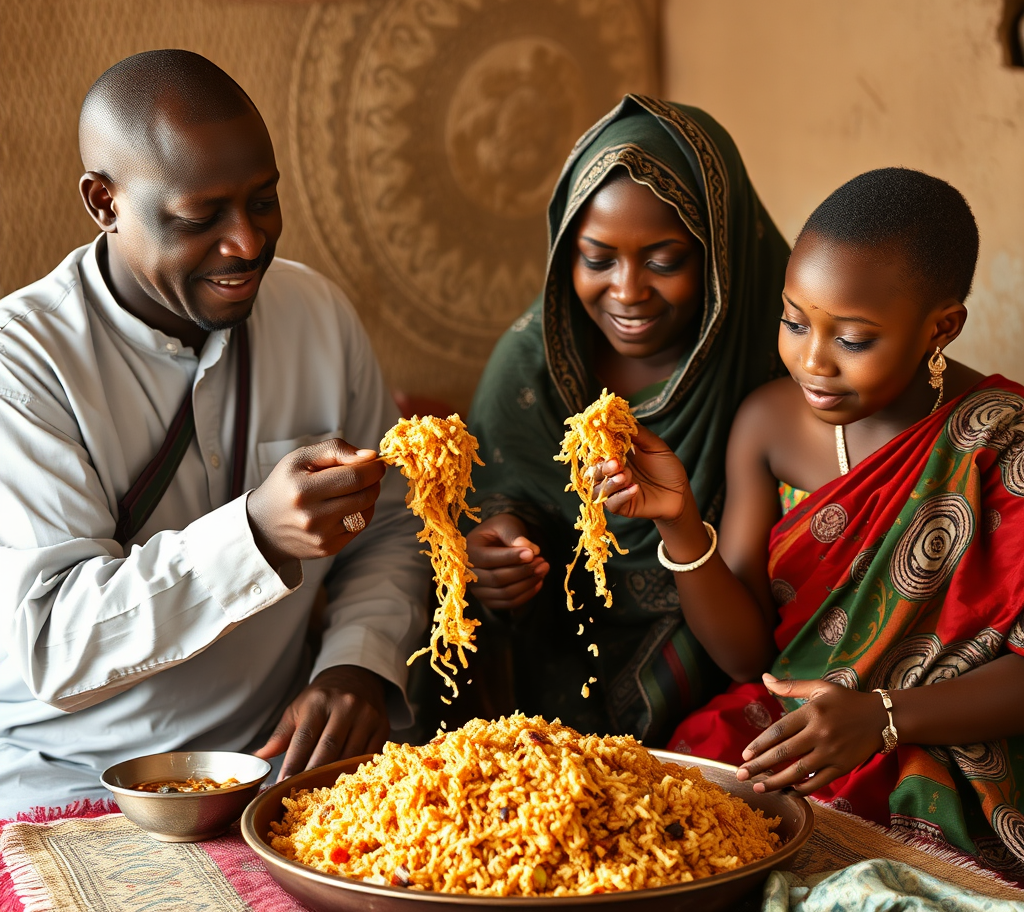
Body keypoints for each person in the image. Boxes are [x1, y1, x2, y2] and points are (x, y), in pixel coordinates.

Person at [0, 50, 427, 815]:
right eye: (200, 218)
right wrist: (255, 535)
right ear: (105, 202)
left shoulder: (315, 315)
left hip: (280, 769)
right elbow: (53, 643)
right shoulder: (23, 366)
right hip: (67, 782)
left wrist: (357, 665)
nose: (247, 243)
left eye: (263, 202)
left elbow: (392, 525)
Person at [598, 168, 1024, 869]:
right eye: (794, 321)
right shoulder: (768, 422)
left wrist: (883, 717)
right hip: (787, 731)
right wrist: (678, 524)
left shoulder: (998, 443)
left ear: (940, 327)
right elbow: (746, 656)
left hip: (943, 745)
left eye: (853, 339)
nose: (812, 361)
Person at [460, 95, 790, 743]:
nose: (628, 290)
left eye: (664, 260)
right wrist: (499, 551)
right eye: (596, 258)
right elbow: (496, 503)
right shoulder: (532, 367)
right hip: (556, 683)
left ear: (719, 254)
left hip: (731, 670)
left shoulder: (777, 361)